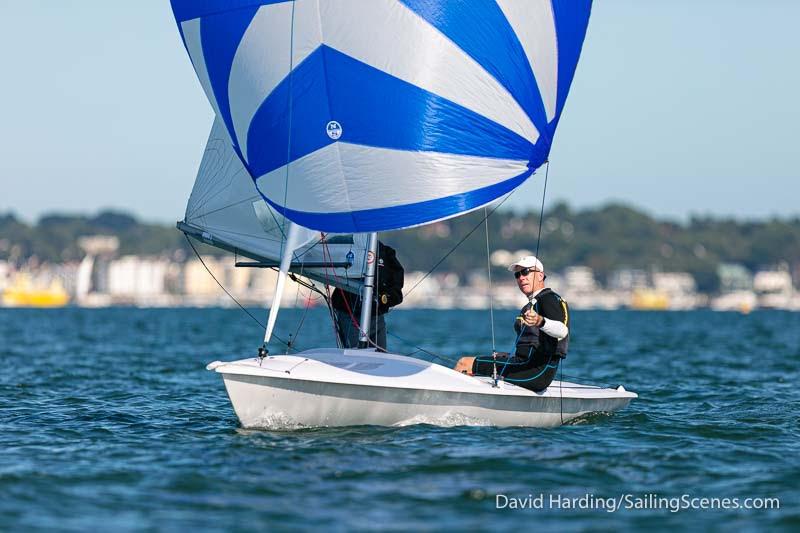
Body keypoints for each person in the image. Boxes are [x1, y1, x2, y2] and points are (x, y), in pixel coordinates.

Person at [454, 255, 569, 391]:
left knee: (464, 364)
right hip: (532, 369)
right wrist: (509, 357)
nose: (521, 278)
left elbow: (562, 331)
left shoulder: (547, 299)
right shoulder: (537, 301)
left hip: (535, 372)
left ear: (540, 276)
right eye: (517, 274)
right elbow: (533, 345)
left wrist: (540, 321)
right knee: (478, 369)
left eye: (526, 272)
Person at [331, 242, 404, 351]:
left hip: (375, 315)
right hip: (349, 314)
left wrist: (385, 298)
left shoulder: (385, 253)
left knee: (380, 357)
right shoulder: (345, 248)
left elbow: (396, 289)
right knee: (355, 354)